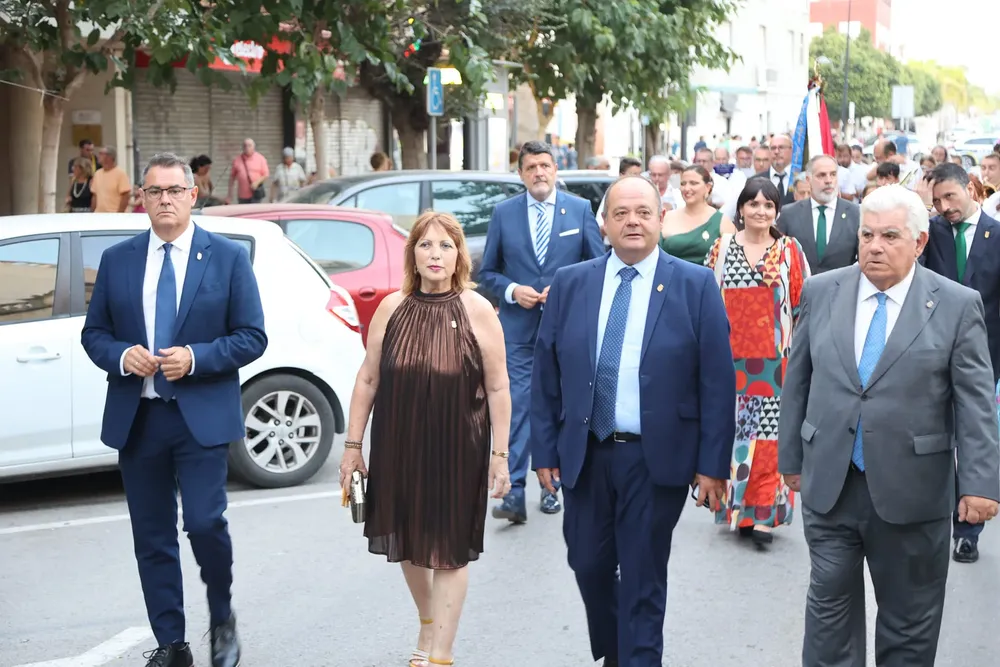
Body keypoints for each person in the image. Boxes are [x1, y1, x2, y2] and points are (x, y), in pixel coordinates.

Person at [778, 184, 1000, 667]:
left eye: (890, 236)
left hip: (913, 491)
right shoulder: (822, 290)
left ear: (919, 243)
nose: (874, 246)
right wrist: (791, 459)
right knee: (827, 615)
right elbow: (797, 381)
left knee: (908, 624)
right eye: (867, 235)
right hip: (831, 485)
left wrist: (980, 483)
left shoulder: (957, 305)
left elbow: (976, 402)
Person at [531, 175, 736, 666]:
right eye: (621, 213)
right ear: (603, 225)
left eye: (643, 212)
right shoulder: (571, 283)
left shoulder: (695, 285)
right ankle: (621, 650)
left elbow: (717, 381)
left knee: (643, 577)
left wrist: (713, 466)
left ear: (661, 220)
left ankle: (637, 657)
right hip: (586, 453)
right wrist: (544, 451)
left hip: (656, 458)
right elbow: (546, 374)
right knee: (587, 562)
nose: (633, 222)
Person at [81, 153, 267, 667]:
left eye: (173, 190)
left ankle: (222, 616)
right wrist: (122, 356)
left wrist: (196, 358)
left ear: (192, 195)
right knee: (153, 537)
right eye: (153, 191)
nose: (164, 199)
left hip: (200, 416)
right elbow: (93, 334)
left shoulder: (226, 257)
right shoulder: (118, 259)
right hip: (139, 419)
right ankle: (172, 643)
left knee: (206, 525)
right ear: (141, 199)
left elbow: (252, 337)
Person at [339, 211, 512, 667]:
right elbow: (368, 378)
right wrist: (353, 448)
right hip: (400, 441)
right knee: (408, 540)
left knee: (451, 549)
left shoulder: (478, 310)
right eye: (426, 245)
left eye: (446, 246)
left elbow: (497, 386)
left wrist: (500, 454)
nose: (436, 254)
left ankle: (441, 654)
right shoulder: (392, 308)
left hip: (460, 444)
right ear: (412, 253)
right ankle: (429, 622)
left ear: (459, 257)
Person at [478, 140, 604, 523]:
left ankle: (553, 488)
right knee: (517, 407)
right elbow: (486, 273)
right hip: (517, 331)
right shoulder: (504, 213)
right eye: (531, 167)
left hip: (568, 330)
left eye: (545, 166)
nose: (539, 173)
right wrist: (513, 291)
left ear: (555, 169)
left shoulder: (579, 210)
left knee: (564, 409)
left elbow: (599, 266)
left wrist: (565, 291)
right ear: (521, 174)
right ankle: (514, 491)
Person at [705, 178, 810, 546]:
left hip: (775, 362)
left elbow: (802, 306)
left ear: (777, 211)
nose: (760, 211)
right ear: (741, 209)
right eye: (753, 204)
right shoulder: (721, 249)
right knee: (736, 436)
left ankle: (765, 513)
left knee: (770, 439)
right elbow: (707, 303)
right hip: (729, 361)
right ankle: (739, 511)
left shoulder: (788, 251)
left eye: (768, 205)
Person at [921, 161, 1000, 563]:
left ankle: (968, 529)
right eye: (936, 200)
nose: (944, 206)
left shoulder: (997, 235)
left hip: (985, 357)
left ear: (970, 188)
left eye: (950, 196)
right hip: (932, 353)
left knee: (974, 435)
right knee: (938, 438)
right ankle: (936, 516)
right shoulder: (928, 233)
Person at [777, 155, 861, 274]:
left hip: (841, 290)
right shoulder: (789, 214)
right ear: (808, 179)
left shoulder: (855, 213)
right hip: (801, 289)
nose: (828, 180)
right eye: (821, 175)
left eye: (833, 174)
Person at [660, 165, 736, 264]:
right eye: (683, 184)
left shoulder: (722, 222)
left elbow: (733, 259)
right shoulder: (667, 217)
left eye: (693, 183)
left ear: (708, 187)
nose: (687, 188)